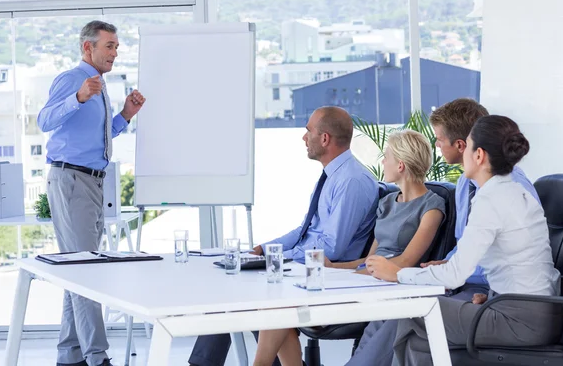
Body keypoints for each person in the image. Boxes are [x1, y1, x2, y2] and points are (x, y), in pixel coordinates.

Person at [344, 98, 541, 366]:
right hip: (502, 299)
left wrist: (399, 273)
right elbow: (504, 255)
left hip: (516, 311)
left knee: (411, 310)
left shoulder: (497, 195)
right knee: (407, 322)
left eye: (468, 146)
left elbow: (469, 270)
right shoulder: (479, 187)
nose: (436, 147)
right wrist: (488, 289)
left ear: (476, 153)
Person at [188, 106, 379, 366]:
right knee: (233, 284)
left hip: (325, 274)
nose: (304, 138)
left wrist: (280, 258)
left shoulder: (352, 181)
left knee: (256, 296)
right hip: (303, 266)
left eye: (308, 131)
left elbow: (331, 248)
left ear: (325, 139)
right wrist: (265, 250)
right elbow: (304, 231)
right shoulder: (333, 176)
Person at [253, 130, 446, 366]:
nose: (382, 162)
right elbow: (369, 258)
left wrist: (361, 271)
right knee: (278, 305)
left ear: (402, 165)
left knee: (284, 307)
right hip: (367, 276)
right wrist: (334, 267)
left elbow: (406, 261)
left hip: (389, 283)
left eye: (386, 156)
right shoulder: (387, 202)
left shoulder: (432, 206)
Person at [37, 20, 146, 366]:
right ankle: (98, 358)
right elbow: (43, 120)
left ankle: (69, 356)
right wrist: (78, 97)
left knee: (77, 269)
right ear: (89, 47)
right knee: (85, 271)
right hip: (71, 182)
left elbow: (100, 138)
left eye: (116, 46)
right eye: (110, 46)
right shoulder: (73, 80)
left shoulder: (100, 86)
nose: (116, 52)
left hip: (93, 183)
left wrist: (126, 115)